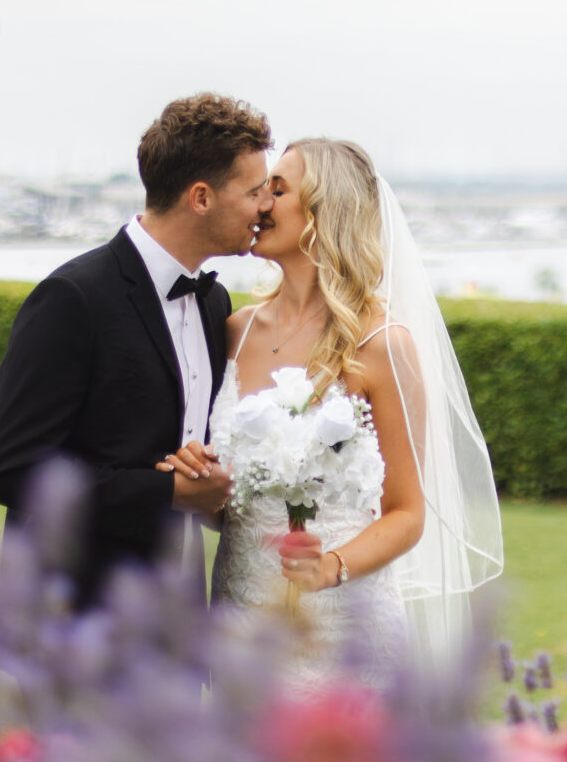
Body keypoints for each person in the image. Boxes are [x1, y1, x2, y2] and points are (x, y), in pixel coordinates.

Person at [191, 138, 505, 688]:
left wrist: (330, 568)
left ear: (322, 214)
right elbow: (232, 506)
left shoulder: (382, 344)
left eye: (278, 189)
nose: (260, 202)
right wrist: (203, 486)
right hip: (241, 627)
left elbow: (407, 514)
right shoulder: (234, 333)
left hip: (342, 637)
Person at [0, 94, 272, 609]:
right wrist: (167, 494)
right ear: (200, 197)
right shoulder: (73, 297)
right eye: (253, 191)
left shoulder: (214, 303)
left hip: (177, 616)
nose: (264, 205)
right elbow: (10, 469)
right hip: (73, 620)